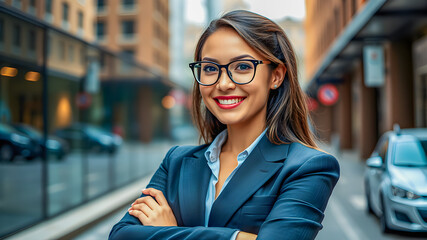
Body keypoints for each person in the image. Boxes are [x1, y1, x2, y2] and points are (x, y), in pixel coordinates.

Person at [109, 10, 340, 240]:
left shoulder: (308, 167)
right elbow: (121, 235)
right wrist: (241, 237)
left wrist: (167, 231)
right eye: (210, 69)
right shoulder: (176, 162)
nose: (224, 83)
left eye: (242, 67)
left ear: (276, 76)